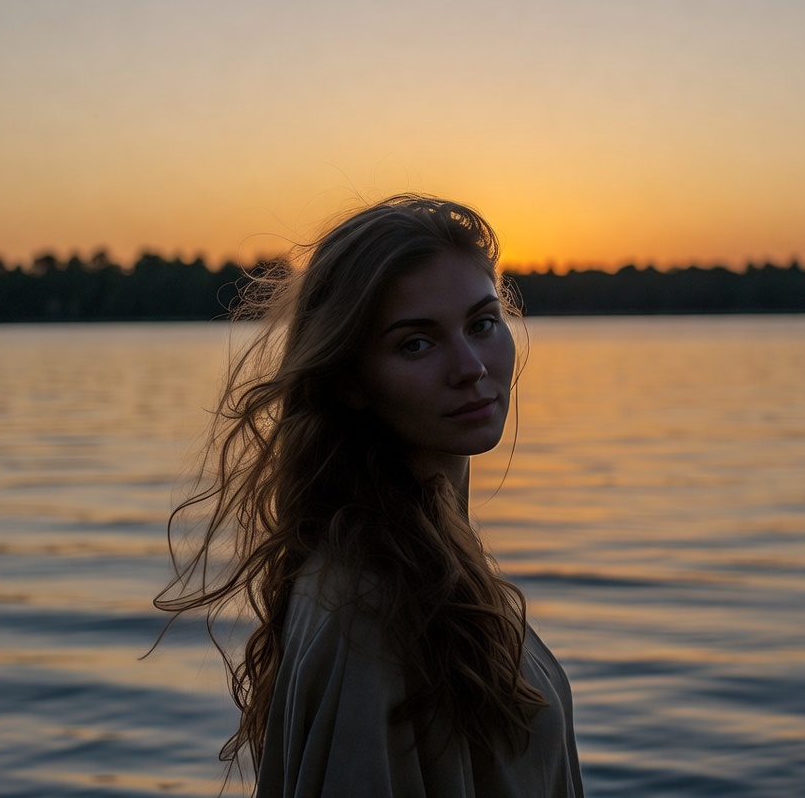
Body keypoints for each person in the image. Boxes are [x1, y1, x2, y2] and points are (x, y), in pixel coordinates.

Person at [156, 195, 585, 797]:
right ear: (352, 380)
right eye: (416, 343)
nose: (470, 366)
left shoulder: (431, 560)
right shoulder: (366, 607)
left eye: (482, 324)